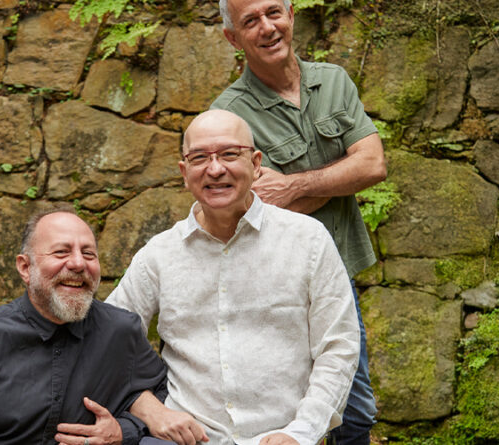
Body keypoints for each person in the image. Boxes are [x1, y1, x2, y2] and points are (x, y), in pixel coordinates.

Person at [106, 110, 360, 445]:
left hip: (282, 437)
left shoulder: (308, 240)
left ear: (256, 164)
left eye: (229, 154)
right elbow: (106, 343)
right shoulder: (160, 254)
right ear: (184, 173)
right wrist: (152, 412)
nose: (215, 169)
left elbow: (338, 347)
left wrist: (300, 433)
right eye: (200, 158)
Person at [210, 0, 388, 443]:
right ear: (234, 38)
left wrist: (293, 185)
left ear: (291, 15)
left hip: (336, 273)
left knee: (354, 404)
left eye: (274, 12)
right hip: (270, 281)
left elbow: (373, 166)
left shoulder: (332, 81)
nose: (267, 27)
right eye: (250, 21)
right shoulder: (229, 117)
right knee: (283, 403)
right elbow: (254, 211)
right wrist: (339, 175)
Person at [0, 210, 169, 445]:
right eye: (61, 252)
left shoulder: (120, 331)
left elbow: (164, 390)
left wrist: (126, 429)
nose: (78, 264)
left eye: (89, 254)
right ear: (25, 267)